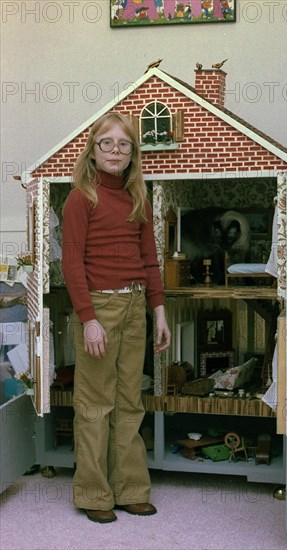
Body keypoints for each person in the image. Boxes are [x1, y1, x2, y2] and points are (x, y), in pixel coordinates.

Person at [62, 112, 171, 524]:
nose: (115, 151)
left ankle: (130, 489)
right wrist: (88, 318)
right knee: (94, 404)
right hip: (99, 308)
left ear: (132, 154)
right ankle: (93, 494)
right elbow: (72, 264)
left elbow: (150, 262)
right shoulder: (81, 198)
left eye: (123, 145)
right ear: (93, 150)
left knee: (130, 401)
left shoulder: (137, 198)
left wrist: (158, 311)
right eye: (106, 143)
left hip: (134, 307)